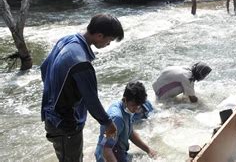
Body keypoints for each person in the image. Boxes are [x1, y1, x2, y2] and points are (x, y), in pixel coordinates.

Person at [41, 14, 124, 162]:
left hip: (51, 115)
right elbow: (92, 101)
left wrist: (56, 95)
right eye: (109, 40)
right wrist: (108, 123)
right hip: (65, 123)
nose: (109, 44)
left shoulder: (66, 40)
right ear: (99, 35)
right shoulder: (81, 63)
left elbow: (44, 68)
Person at [95, 82, 157, 162]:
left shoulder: (127, 110)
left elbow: (130, 133)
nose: (136, 109)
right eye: (134, 105)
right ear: (125, 99)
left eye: (139, 105)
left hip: (118, 151)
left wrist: (148, 149)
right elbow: (106, 149)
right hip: (107, 157)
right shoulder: (117, 118)